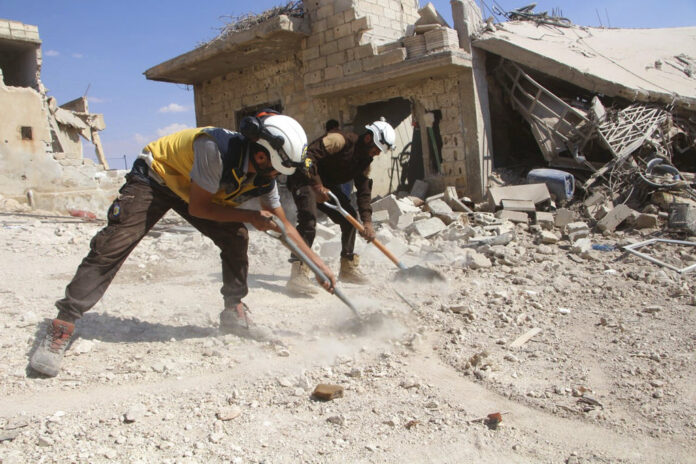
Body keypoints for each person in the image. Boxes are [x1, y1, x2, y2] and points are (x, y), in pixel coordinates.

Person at [30, 113, 336, 377]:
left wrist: (318, 266)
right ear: (260, 154)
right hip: (157, 178)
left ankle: (233, 310)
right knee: (114, 243)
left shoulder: (264, 176)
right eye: (274, 170)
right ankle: (63, 324)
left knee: (235, 237)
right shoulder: (214, 148)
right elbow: (200, 209)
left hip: (195, 191)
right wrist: (250, 215)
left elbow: (285, 227)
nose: (274, 178)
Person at [285, 117, 396, 295]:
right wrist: (316, 185)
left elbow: (364, 190)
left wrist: (367, 221)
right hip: (303, 178)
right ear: (368, 139)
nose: (376, 154)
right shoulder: (339, 140)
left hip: (325, 186)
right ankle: (298, 271)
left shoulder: (365, 160)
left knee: (349, 219)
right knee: (309, 220)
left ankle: (348, 268)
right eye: (376, 149)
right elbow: (307, 156)